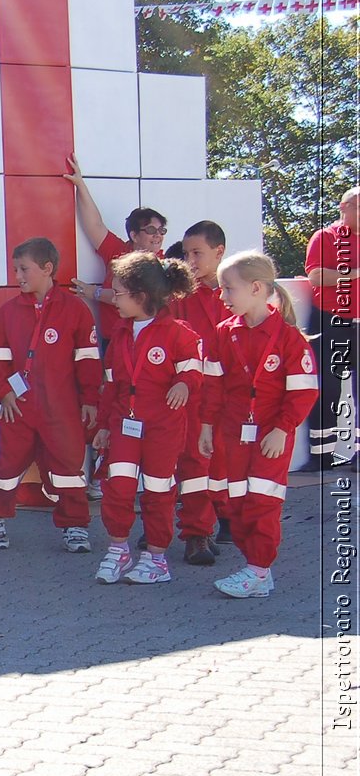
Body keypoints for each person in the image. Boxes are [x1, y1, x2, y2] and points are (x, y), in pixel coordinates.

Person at [200, 251, 318, 597]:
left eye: (227, 289)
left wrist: (283, 429)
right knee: (236, 502)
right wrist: (207, 426)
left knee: (262, 502)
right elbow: (213, 386)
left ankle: (259, 570)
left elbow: (303, 392)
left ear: (255, 288)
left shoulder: (288, 338)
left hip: (271, 435)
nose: (222, 297)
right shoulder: (224, 333)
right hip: (233, 433)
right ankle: (254, 567)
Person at [0, 238, 101, 553]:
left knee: (69, 469)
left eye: (24, 269)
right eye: (15, 269)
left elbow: (88, 361)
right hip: (18, 408)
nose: (18, 275)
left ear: (47, 269)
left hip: (62, 409)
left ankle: (75, 526)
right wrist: (4, 391)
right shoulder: (8, 312)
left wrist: (89, 400)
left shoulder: (75, 310)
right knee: (8, 466)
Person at [92, 253, 202, 585]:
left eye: (119, 293)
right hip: (124, 425)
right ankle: (118, 549)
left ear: (141, 297)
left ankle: (156, 559)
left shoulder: (177, 333)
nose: (114, 300)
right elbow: (111, 387)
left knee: (158, 491)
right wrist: (101, 427)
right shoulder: (120, 335)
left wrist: (183, 383)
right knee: (118, 487)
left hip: (162, 428)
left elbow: (194, 370)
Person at [63, 154, 169, 346]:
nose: (158, 236)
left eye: (162, 231)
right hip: (112, 340)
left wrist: (94, 293)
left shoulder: (165, 264)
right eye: (151, 230)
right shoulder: (118, 251)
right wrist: (80, 184)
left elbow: (136, 297)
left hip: (148, 342)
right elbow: (94, 224)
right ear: (134, 235)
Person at [173, 220, 232, 563]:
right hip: (195, 395)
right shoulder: (180, 295)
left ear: (219, 252)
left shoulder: (239, 288)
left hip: (233, 397)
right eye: (186, 253)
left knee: (226, 464)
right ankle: (196, 534)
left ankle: (228, 519)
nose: (190, 260)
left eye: (197, 252)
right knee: (195, 462)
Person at [298, 186, 359, 470]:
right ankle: (321, 454)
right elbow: (315, 276)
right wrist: (355, 273)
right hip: (331, 319)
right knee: (327, 387)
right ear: (343, 207)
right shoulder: (326, 237)